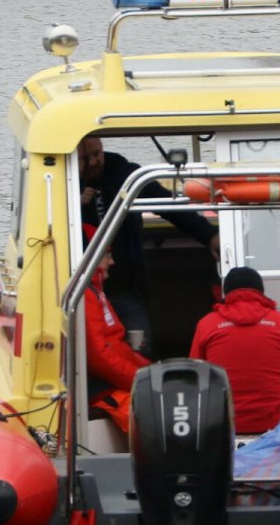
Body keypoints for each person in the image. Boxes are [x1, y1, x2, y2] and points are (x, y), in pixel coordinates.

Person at [78, 135, 219, 347]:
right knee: (90, 351)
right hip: (83, 293)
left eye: (97, 154)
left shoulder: (126, 174)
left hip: (125, 289)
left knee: (140, 348)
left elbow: (170, 207)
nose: (94, 162)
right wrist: (75, 204)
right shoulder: (62, 185)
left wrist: (209, 235)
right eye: (84, 158)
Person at [189, 267, 280, 435]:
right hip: (277, 426)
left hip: (222, 426)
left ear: (225, 293)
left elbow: (196, 380)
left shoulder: (206, 325)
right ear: (261, 292)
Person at [81, 225, 150, 433]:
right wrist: (141, 381)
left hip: (115, 385)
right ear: (91, 258)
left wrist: (149, 371)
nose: (112, 262)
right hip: (104, 391)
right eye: (106, 256)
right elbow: (99, 357)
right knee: (157, 420)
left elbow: (115, 346)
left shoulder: (95, 293)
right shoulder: (86, 296)